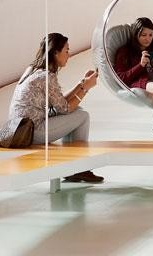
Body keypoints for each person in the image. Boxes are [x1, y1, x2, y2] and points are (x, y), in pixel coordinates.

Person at [9, 32, 103, 184]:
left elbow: (59, 103)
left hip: (21, 128)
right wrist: (86, 89)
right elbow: (65, 108)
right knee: (83, 116)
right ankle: (77, 168)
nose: (69, 54)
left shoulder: (33, 69)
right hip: (31, 131)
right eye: (66, 50)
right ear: (55, 53)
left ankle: (72, 167)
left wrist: (81, 83)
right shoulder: (46, 76)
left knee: (78, 111)